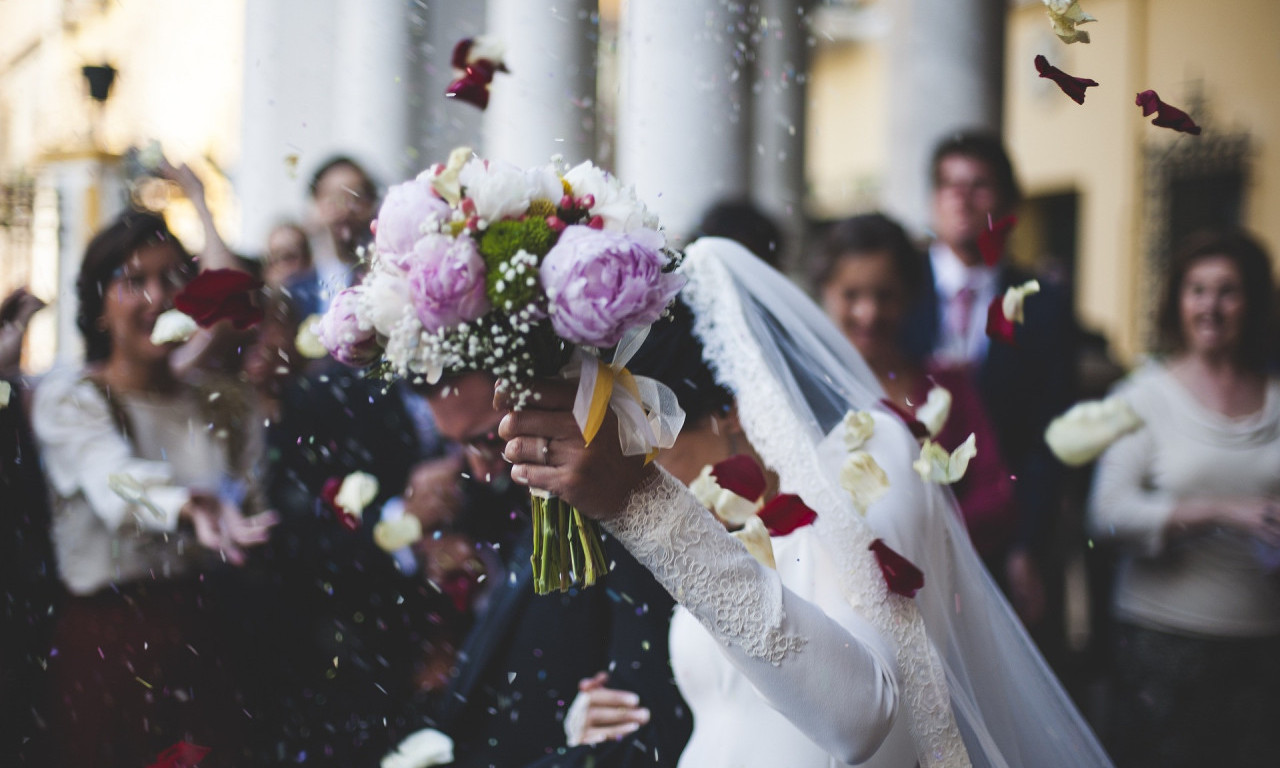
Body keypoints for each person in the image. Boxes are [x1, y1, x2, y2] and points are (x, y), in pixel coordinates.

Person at [499, 238, 1112, 767]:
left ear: (731, 416)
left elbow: (862, 719)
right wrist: (597, 718)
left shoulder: (871, 459)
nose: (652, 476)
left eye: (650, 451)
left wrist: (648, 508)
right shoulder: (734, 530)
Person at [30, 211, 277, 767]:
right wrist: (187, 503)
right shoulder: (72, 398)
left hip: (207, 630)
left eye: (173, 279)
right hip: (110, 640)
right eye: (133, 281)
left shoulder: (225, 401)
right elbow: (113, 481)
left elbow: (253, 500)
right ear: (98, 306)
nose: (158, 297)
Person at [407, 373, 692, 767]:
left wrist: (585, 747)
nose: (480, 470)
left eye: (492, 439)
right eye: (458, 447)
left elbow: (657, 730)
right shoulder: (513, 497)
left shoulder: (624, 513)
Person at [1087, 230, 1280, 768]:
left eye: (1228, 291)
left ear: (1253, 303)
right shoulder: (1142, 397)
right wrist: (1222, 511)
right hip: (1163, 644)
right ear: (1177, 300)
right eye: (1197, 290)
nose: (1210, 307)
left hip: (1266, 646)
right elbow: (1108, 515)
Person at [903, 131, 1077, 635]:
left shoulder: (1044, 304)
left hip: (1007, 536)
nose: (961, 197)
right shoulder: (895, 291)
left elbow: (1052, 434)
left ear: (1005, 201)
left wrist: (1027, 543)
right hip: (909, 525)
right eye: (948, 184)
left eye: (978, 185)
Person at [817, 213, 1016, 561]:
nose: (869, 313)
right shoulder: (805, 390)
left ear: (908, 296)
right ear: (824, 294)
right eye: (851, 295)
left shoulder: (949, 387)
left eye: (885, 295)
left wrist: (921, 534)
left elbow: (995, 494)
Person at [287, 156, 378, 316]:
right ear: (313, 207)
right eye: (333, 199)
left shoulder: (381, 282)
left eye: (356, 198)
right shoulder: (294, 293)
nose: (345, 210)